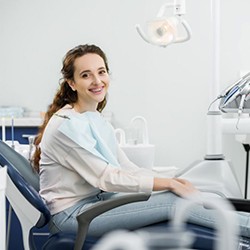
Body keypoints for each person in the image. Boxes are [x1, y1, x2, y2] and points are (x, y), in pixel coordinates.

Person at [33, 44, 250, 239]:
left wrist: (174, 180)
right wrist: (169, 184)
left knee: (182, 194)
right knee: (174, 204)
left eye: (101, 72)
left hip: (96, 203)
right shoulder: (65, 127)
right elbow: (107, 178)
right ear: (72, 83)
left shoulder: (94, 118)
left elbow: (127, 167)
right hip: (73, 216)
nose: (97, 81)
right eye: (86, 75)